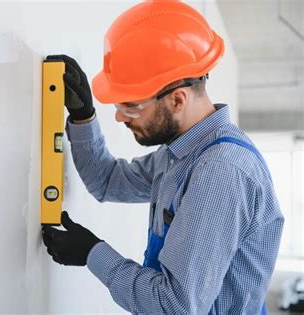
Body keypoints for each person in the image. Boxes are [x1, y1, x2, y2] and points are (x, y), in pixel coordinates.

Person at [41, 1, 284, 314]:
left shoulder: (220, 171)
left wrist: (92, 252)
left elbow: (174, 307)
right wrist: (83, 116)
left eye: (130, 106)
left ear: (177, 100)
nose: (120, 117)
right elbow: (107, 182)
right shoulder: (179, 155)